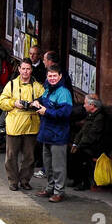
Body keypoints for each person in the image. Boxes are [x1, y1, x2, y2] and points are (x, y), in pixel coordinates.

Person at [31, 64, 74, 201]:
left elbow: (65, 113)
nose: (52, 78)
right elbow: (42, 99)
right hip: (47, 134)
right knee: (47, 165)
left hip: (58, 135)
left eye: (55, 76)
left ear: (60, 76)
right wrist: (36, 102)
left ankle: (59, 192)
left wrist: (46, 112)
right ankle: (50, 188)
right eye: (50, 76)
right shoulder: (48, 89)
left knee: (58, 166)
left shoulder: (64, 93)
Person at [0, 60, 44, 191]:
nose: (25, 71)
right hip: (14, 126)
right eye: (23, 69)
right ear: (19, 69)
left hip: (31, 125)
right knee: (11, 156)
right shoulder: (11, 85)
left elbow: (44, 102)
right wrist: (14, 103)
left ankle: (25, 180)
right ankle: (13, 181)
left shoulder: (37, 87)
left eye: (28, 69)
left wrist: (36, 104)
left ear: (31, 70)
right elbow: (2, 102)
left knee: (29, 157)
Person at [68, 94, 110, 190]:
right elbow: (82, 132)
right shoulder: (91, 115)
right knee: (71, 151)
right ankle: (76, 179)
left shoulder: (100, 117)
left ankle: (84, 182)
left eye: (85, 103)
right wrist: (75, 143)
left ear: (92, 105)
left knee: (80, 154)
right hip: (88, 143)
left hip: (97, 146)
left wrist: (79, 146)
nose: (83, 105)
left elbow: (92, 136)